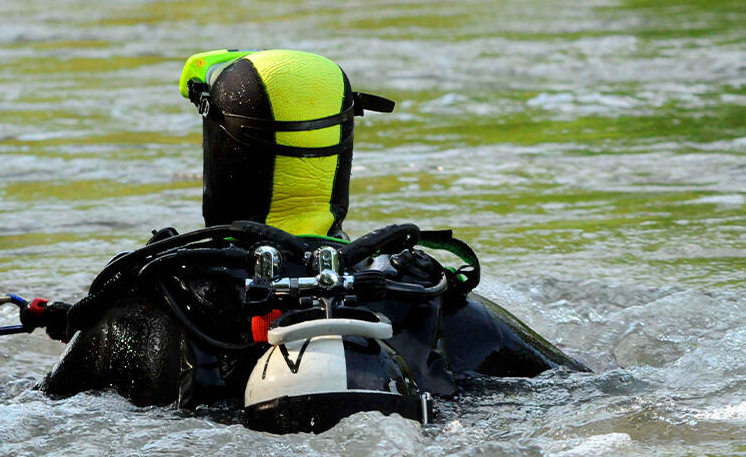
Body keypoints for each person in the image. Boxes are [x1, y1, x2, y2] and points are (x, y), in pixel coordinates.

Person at [37, 49, 586, 422]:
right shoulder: (426, 297)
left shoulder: (149, 308)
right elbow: (588, 392)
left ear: (219, 151)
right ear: (341, 147)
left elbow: (44, 411)